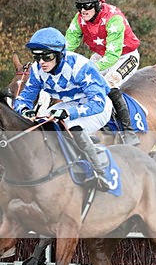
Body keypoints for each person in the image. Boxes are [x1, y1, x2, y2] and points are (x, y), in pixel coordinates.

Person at [14, 27, 114, 189]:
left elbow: (98, 103)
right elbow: (22, 99)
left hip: (98, 106)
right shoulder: (37, 70)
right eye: (37, 56)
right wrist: (25, 111)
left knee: (72, 126)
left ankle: (99, 172)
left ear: (59, 54)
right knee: (39, 124)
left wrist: (69, 112)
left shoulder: (81, 67)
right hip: (69, 104)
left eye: (46, 56)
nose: (41, 62)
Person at [66, 0, 141, 146]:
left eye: (87, 5)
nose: (82, 10)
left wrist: (88, 68)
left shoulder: (114, 19)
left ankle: (129, 132)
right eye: (79, 5)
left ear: (99, 4)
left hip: (125, 56)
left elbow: (112, 55)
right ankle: (92, 125)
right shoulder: (80, 18)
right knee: (81, 84)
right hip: (100, 55)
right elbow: (68, 45)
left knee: (108, 83)